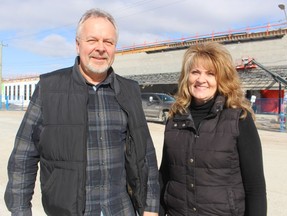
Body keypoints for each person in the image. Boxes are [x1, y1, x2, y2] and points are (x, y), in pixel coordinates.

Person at [5, 9, 160, 216]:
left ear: (115, 48)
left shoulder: (129, 91)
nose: (100, 48)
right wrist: (20, 210)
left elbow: (146, 154)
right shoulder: (49, 89)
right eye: (92, 40)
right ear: (78, 45)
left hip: (121, 209)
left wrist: (150, 206)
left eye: (108, 42)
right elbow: (23, 157)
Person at [159, 42, 267, 216]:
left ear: (222, 78)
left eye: (211, 74)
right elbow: (165, 175)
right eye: (195, 72)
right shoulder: (174, 119)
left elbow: (255, 188)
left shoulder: (239, 119)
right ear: (187, 77)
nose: (201, 80)